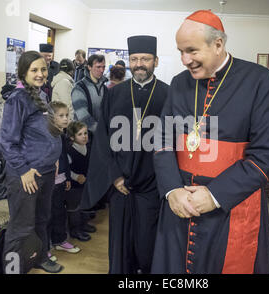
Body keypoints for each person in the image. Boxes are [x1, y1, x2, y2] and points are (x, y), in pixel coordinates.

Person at [151, 10, 269, 274]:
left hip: (230, 206)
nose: (185, 60)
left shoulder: (259, 81)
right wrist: (172, 190)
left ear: (218, 44)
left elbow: (264, 156)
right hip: (180, 203)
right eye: (180, 51)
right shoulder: (179, 83)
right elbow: (162, 139)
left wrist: (213, 195)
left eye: (192, 50)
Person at [83, 35, 169, 274]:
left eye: (145, 58)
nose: (139, 63)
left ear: (156, 61)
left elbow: (173, 142)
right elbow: (102, 138)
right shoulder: (115, 93)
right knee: (120, 240)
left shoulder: (168, 94)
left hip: (152, 183)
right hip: (120, 182)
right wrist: (114, 175)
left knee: (147, 240)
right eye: (134, 59)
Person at [0, 51, 63, 273]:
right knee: (21, 228)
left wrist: (52, 159)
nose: (40, 74)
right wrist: (24, 170)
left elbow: (42, 133)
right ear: (23, 72)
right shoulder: (17, 100)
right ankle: (13, 270)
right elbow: (7, 141)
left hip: (44, 172)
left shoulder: (41, 95)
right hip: (25, 175)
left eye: (43, 69)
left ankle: (40, 257)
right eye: (34, 70)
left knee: (42, 219)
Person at [47, 101, 81, 255]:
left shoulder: (62, 135)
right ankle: (45, 247)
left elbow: (64, 159)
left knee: (60, 212)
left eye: (67, 115)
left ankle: (59, 240)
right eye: (61, 116)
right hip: (48, 183)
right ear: (51, 117)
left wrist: (67, 177)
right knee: (47, 215)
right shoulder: (47, 135)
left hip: (60, 181)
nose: (66, 119)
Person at [66, 121, 95, 242]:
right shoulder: (69, 151)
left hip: (85, 183)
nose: (84, 136)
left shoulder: (87, 147)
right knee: (74, 208)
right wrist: (76, 176)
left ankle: (84, 224)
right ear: (72, 137)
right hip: (74, 185)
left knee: (84, 203)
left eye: (86, 133)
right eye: (80, 134)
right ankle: (75, 230)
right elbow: (67, 168)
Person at [71, 54, 108, 133]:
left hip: (99, 136)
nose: (102, 70)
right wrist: (102, 131)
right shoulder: (79, 88)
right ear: (89, 67)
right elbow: (83, 117)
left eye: (103, 67)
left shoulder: (105, 89)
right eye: (98, 67)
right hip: (82, 137)